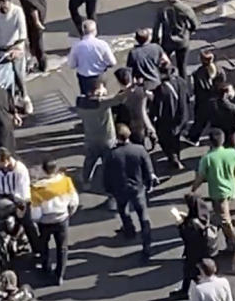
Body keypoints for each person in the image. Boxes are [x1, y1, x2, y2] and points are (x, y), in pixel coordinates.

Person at [103, 124, 155, 261]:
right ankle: (147, 245)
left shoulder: (112, 154)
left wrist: (109, 190)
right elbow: (148, 170)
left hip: (120, 189)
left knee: (123, 210)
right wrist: (149, 184)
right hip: (137, 189)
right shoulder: (139, 150)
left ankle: (129, 229)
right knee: (143, 216)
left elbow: (106, 175)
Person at [191, 128, 235, 253]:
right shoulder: (232, 153)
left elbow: (200, 177)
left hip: (218, 192)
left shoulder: (208, 158)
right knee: (220, 213)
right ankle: (221, 231)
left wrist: (193, 189)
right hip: (231, 188)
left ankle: (234, 244)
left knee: (225, 219)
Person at [30, 160, 78, 285]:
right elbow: (74, 201)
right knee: (62, 247)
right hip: (62, 219)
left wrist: (37, 220)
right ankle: (59, 275)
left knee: (44, 245)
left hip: (45, 221)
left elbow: (36, 212)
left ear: (44, 170)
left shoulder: (37, 189)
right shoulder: (65, 181)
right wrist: (69, 213)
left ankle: (46, 268)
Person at [73, 77, 125, 194]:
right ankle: (109, 185)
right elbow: (120, 98)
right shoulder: (102, 103)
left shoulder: (80, 103)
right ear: (96, 91)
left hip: (90, 138)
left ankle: (86, 181)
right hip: (107, 139)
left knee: (89, 161)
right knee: (108, 164)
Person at [172, 193, 218, 298]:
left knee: (192, 272)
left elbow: (187, 236)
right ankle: (187, 290)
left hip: (194, 251)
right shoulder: (204, 214)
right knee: (196, 271)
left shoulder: (193, 223)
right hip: (204, 249)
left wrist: (180, 224)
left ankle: (193, 292)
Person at [7, 0, 47, 73]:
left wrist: (37, 22)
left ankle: (42, 64)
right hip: (43, 7)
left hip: (35, 17)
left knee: (37, 39)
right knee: (33, 37)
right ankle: (34, 53)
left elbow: (32, 9)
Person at [152, 0, 198, 78]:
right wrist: (190, 31)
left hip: (167, 41)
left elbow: (156, 27)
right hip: (182, 40)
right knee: (182, 66)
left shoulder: (162, 8)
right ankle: (183, 86)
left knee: (165, 65)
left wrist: (155, 41)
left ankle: (167, 81)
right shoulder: (185, 9)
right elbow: (194, 24)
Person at [151, 64, 191, 170]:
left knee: (165, 140)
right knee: (176, 139)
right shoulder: (181, 81)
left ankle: (173, 157)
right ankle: (177, 156)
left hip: (168, 119)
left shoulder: (161, 89)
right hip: (182, 117)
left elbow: (157, 109)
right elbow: (187, 97)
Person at [67, 19, 116, 95]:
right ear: (95, 31)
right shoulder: (102, 44)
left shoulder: (76, 46)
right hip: (100, 76)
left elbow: (71, 65)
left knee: (86, 99)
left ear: (83, 31)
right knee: (101, 97)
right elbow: (113, 62)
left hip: (84, 78)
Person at [186, 50, 224, 144]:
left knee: (200, 122)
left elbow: (197, 89)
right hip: (216, 100)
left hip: (203, 101)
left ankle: (193, 138)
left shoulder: (198, 73)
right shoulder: (219, 70)